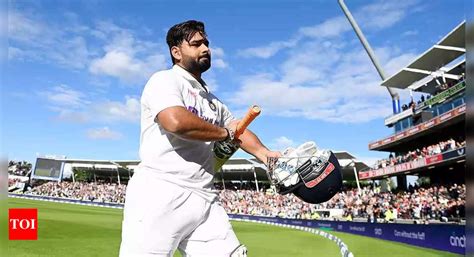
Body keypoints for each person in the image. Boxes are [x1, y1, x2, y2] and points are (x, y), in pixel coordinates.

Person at [119, 20, 281, 257]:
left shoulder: (214, 102)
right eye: (196, 44)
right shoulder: (164, 80)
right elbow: (174, 121)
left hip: (204, 198)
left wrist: (265, 155)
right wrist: (225, 133)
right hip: (160, 193)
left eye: (206, 43)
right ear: (176, 52)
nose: (205, 48)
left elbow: (239, 128)